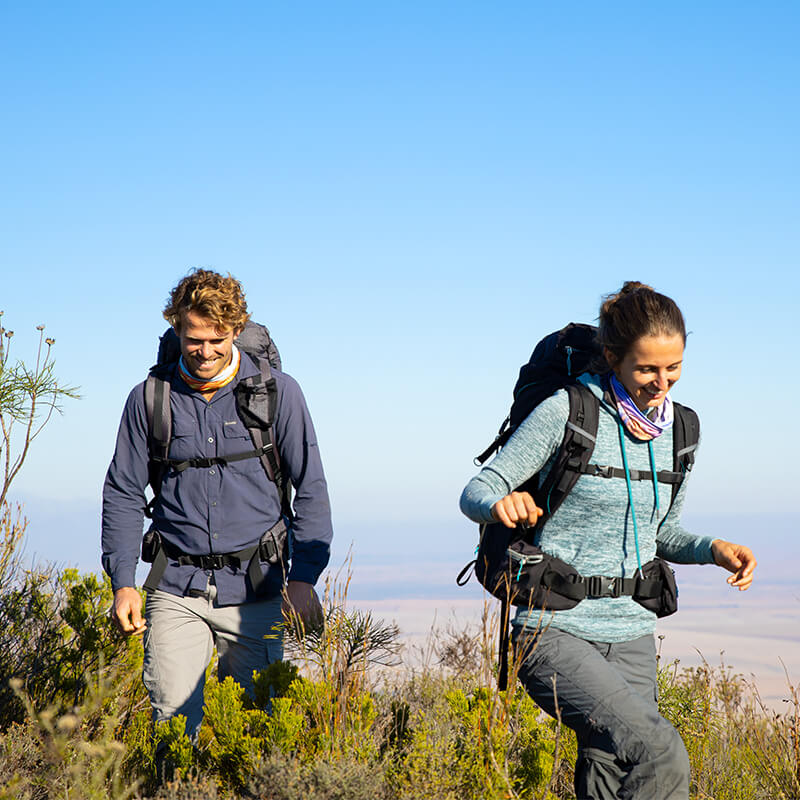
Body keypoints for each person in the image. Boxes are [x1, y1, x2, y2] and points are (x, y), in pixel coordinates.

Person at [459, 281, 756, 800]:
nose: (661, 383)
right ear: (614, 358)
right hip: (553, 628)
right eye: (646, 369)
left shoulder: (681, 431)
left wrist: (713, 549)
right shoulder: (568, 411)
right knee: (660, 751)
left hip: (632, 631)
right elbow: (478, 489)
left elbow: (661, 532)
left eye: (674, 368)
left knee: (609, 765)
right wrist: (499, 504)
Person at [102, 268, 333, 740]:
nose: (205, 351)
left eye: (217, 339)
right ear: (176, 329)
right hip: (176, 588)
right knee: (171, 726)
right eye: (193, 339)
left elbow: (311, 487)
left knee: (254, 731)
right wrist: (123, 582)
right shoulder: (150, 398)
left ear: (235, 330)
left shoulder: (279, 394)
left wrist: (306, 577)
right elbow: (123, 491)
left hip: (257, 592)